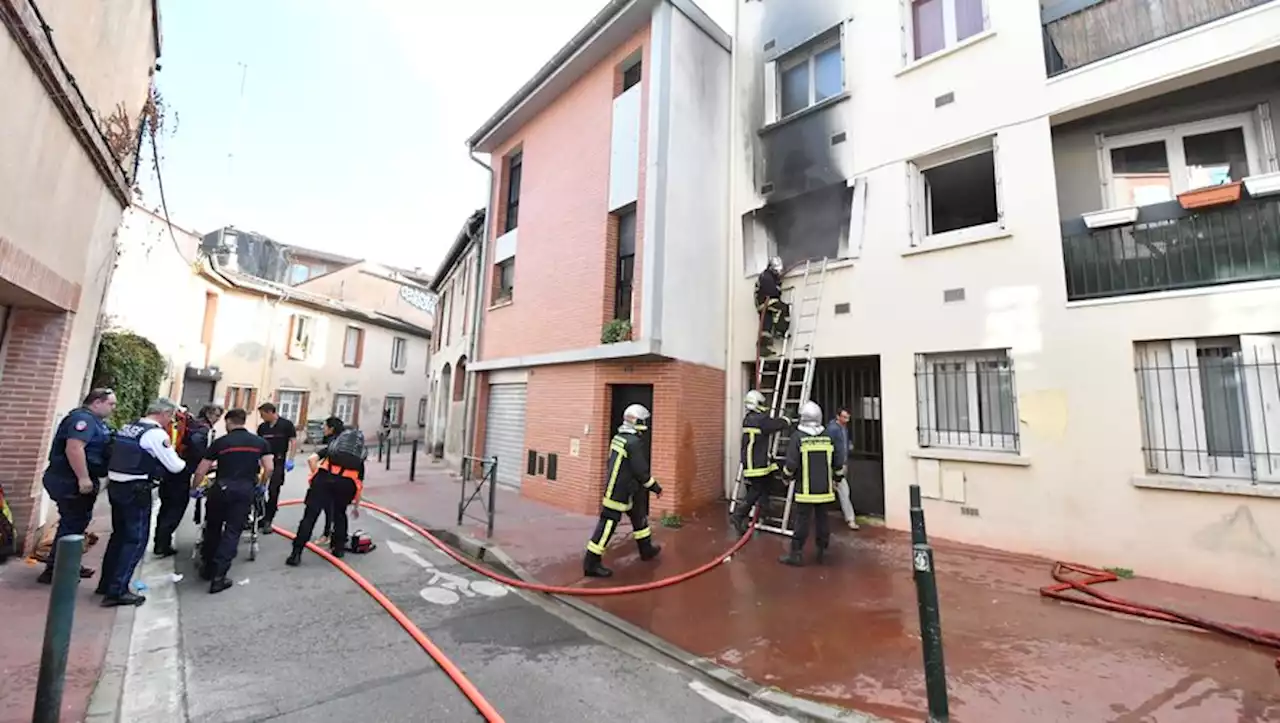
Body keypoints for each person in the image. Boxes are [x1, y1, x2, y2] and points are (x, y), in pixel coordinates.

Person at [98, 398, 187, 606]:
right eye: (170, 417)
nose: (170, 422)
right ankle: (117, 591)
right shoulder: (155, 434)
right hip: (135, 490)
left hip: (116, 486)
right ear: (164, 414)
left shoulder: (129, 427)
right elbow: (175, 466)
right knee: (135, 539)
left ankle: (107, 582)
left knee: (118, 537)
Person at [37, 389, 116, 585]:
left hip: (72, 479)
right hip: (69, 480)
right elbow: (74, 448)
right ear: (97, 402)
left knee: (76, 523)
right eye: (111, 404)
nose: (113, 408)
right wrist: (83, 478)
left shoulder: (94, 421)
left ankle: (66, 563)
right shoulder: (83, 420)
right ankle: (57, 570)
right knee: (72, 523)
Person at [191, 408, 273, 593]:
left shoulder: (221, 443)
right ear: (243, 421)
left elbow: (201, 470)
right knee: (232, 532)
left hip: (220, 489)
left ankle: (208, 569)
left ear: (229, 422)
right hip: (244, 491)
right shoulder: (260, 443)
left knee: (212, 528)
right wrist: (261, 485)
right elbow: (268, 468)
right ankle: (219, 577)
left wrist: (194, 488)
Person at [583, 404, 663, 578]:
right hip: (619, 492)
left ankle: (646, 549)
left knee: (639, 518)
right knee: (608, 525)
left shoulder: (619, 437)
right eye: (644, 421)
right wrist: (655, 487)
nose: (646, 424)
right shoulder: (633, 443)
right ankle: (591, 563)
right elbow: (640, 471)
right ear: (637, 421)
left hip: (628, 489)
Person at [286, 417, 366, 566]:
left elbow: (312, 459)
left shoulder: (332, 447)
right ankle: (338, 549)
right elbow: (359, 483)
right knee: (340, 515)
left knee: (310, 516)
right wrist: (356, 506)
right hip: (346, 486)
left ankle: (296, 554)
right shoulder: (358, 458)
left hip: (324, 481)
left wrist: (316, 476)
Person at [153, 404, 224, 557]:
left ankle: (159, 541)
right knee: (175, 509)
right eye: (216, 415)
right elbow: (199, 447)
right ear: (208, 413)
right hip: (181, 473)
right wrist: (206, 461)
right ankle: (162, 544)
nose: (218, 419)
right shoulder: (202, 429)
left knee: (166, 508)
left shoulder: (191, 425)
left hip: (169, 471)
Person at [779, 400, 843, 567]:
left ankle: (796, 554)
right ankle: (822, 551)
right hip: (824, 489)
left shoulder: (798, 437)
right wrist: (837, 479)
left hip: (805, 490)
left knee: (802, 520)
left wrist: (785, 477)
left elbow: (791, 464)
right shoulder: (827, 437)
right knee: (823, 520)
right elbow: (838, 462)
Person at [730, 389, 790, 536]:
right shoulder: (758, 419)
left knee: (765, 484)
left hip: (758, 460)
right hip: (755, 463)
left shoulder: (750, 418)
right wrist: (788, 419)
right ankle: (739, 515)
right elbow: (774, 424)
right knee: (756, 489)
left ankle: (764, 510)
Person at [255, 402, 297, 533]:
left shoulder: (286, 425)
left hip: (278, 460)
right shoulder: (262, 427)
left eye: (263, 415)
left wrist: (290, 459)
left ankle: (269, 519)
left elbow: (293, 441)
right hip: (263, 460)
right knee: (258, 489)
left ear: (270, 412)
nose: (262, 418)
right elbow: (258, 443)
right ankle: (260, 515)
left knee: (274, 490)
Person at [827, 406, 859, 531]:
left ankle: (850, 518)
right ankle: (850, 519)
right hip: (836, 466)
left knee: (840, 491)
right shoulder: (833, 429)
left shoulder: (842, 428)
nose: (847, 420)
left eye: (848, 417)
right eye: (844, 417)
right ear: (838, 417)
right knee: (844, 491)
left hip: (840, 465)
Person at [753, 256, 788, 357]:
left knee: (766, 326)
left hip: (765, 302)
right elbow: (773, 292)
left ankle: (763, 349)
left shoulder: (769, 276)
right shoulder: (766, 277)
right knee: (783, 308)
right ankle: (780, 331)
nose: (778, 273)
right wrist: (778, 288)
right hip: (764, 302)